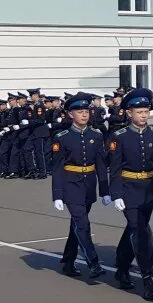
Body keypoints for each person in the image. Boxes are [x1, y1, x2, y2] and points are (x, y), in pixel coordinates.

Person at [107, 88, 153, 301]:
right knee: (139, 232)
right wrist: (116, 194)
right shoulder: (119, 136)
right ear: (128, 113)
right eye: (139, 112)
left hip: (148, 189)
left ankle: (121, 268)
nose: (143, 115)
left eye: (146, 111)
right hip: (129, 189)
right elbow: (114, 167)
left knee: (133, 229)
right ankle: (147, 280)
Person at [51, 93, 110, 281]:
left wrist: (105, 191)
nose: (84, 115)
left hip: (88, 185)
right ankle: (93, 263)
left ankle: (68, 262)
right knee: (82, 223)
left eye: (86, 111)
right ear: (70, 114)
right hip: (71, 184)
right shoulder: (62, 137)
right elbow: (58, 168)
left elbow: (101, 165)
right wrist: (57, 194)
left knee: (76, 225)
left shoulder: (96, 135)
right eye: (79, 112)